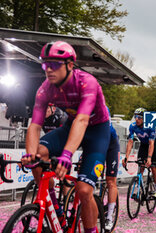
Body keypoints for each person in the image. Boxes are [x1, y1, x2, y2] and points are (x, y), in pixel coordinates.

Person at [22, 41, 110, 233]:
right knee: (38, 156)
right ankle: (56, 209)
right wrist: (30, 155)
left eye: (54, 64)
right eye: (45, 65)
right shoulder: (45, 89)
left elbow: (82, 120)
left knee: (84, 190)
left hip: (96, 131)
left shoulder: (87, 83)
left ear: (70, 65)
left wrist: (67, 155)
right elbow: (35, 125)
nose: (48, 70)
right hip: (71, 126)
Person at [122, 108, 156, 199]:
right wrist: (126, 157)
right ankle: (139, 189)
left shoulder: (150, 126)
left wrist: (149, 158)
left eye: (139, 117)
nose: (136, 119)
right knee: (141, 166)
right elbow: (130, 142)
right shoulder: (132, 126)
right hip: (143, 145)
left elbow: (151, 144)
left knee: (154, 168)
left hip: (152, 145)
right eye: (135, 117)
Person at [104, 107, 120, 231]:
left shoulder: (103, 109)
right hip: (94, 143)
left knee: (110, 181)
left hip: (110, 144)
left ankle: (109, 216)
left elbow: (104, 133)